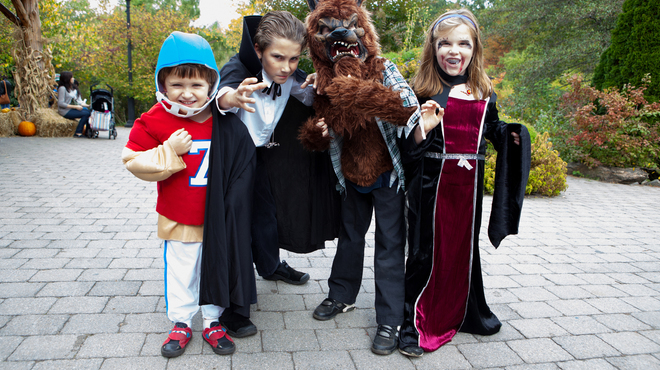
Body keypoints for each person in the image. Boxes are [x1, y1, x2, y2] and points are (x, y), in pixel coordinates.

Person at [397, 9, 531, 357]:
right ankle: (412, 322)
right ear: (433, 47)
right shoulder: (421, 89)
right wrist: (423, 127)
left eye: (463, 44)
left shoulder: (483, 91)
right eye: (445, 43)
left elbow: (491, 129)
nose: (453, 51)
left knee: (462, 249)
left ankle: (464, 309)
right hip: (429, 188)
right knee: (424, 251)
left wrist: (510, 136)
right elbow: (406, 151)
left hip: (468, 190)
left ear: (474, 50)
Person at [122, 31, 256, 358]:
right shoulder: (155, 119)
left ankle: (212, 321)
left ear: (210, 85)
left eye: (196, 85)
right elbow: (132, 160)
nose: (187, 94)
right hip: (179, 215)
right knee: (182, 271)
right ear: (163, 83)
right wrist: (169, 151)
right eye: (177, 85)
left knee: (213, 267)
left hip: (215, 218)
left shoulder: (221, 118)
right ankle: (181, 322)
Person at [299, 0, 421, 356]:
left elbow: (407, 109)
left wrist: (356, 91)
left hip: (387, 175)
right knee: (350, 237)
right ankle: (341, 295)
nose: (342, 35)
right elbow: (321, 135)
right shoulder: (321, 82)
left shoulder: (383, 68)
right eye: (328, 30)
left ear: (365, 34)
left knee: (389, 246)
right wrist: (316, 133)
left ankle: (390, 319)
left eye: (352, 27)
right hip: (350, 176)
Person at [214, 11, 341, 336]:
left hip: (269, 153)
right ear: (258, 50)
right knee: (237, 225)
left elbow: (312, 98)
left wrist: (322, 98)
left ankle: (269, 266)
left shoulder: (294, 77)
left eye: (294, 58)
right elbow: (222, 95)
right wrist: (232, 96)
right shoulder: (239, 68)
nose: (286, 67)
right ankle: (232, 307)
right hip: (234, 159)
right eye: (277, 57)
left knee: (269, 212)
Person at [57, 71, 90, 138]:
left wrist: (88, 105)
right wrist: (75, 107)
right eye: (71, 77)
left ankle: (87, 131)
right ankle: (78, 132)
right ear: (67, 79)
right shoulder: (62, 88)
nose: (73, 78)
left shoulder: (70, 88)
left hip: (71, 108)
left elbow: (77, 101)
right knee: (86, 113)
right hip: (65, 111)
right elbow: (60, 103)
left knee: (88, 111)